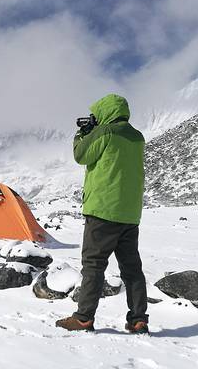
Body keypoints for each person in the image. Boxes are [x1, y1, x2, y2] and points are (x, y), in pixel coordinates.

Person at [55, 94, 149, 334]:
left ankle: (83, 318)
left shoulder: (105, 132)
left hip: (103, 211)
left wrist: (82, 133)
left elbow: (81, 155)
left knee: (94, 266)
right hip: (129, 214)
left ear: (105, 112)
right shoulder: (137, 137)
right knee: (132, 269)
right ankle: (138, 320)